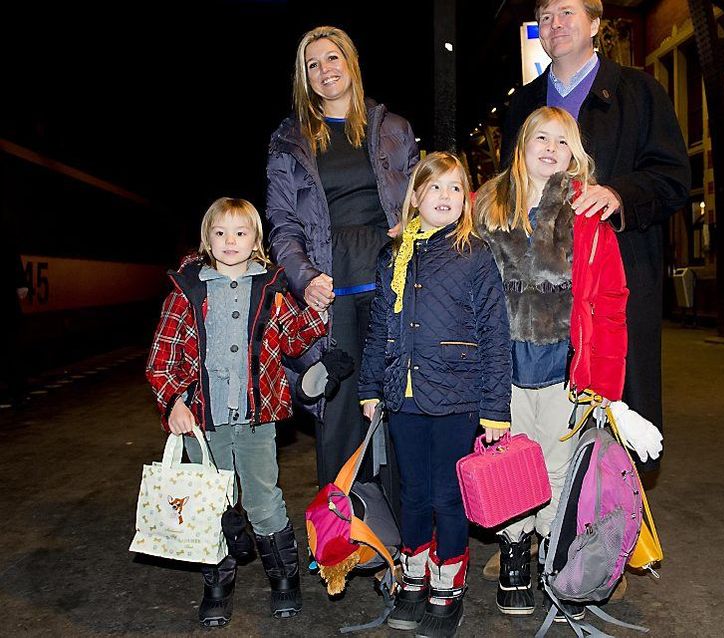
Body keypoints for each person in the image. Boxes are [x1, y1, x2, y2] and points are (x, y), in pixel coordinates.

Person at [501, 0, 690, 474]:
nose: (555, 25)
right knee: (533, 422)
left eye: (567, 12)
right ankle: (532, 529)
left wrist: (619, 194)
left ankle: (606, 532)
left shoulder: (641, 93)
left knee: (614, 413)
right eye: (545, 17)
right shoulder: (522, 105)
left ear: (595, 24)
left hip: (612, 280)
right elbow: (505, 189)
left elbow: (673, 178)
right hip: (534, 300)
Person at [145, 198, 327, 627]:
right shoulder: (187, 290)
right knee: (212, 504)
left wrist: (317, 308)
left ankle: (284, 580)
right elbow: (163, 354)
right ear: (207, 239)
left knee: (264, 499)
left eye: (241, 233)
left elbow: (293, 338)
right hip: (202, 424)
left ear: (255, 240)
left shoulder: (270, 288)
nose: (231, 241)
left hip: (255, 419)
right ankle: (218, 585)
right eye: (221, 233)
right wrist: (173, 401)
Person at [475, 106, 626, 620]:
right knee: (509, 460)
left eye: (562, 143)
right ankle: (515, 551)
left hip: (564, 363)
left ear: (575, 155)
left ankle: (560, 560)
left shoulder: (586, 214)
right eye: (541, 137)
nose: (550, 149)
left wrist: (604, 380)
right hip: (502, 361)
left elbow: (610, 298)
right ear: (521, 147)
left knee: (558, 465)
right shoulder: (486, 207)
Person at [359, 152, 511, 637]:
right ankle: (414, 578)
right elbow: (379, 324)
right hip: (403, 397)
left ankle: (449, 585)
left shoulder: (475, 253)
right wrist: (369, 388)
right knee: (414, 493)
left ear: (466, 199)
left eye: (455, 188)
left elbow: (494, 332)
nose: (444, 197)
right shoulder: (394, 255)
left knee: (448, 496)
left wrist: (495, 408)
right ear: (416, 197)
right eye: (434, 187)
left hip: (457, 396)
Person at [265, 25, 419, 496]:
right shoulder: (290, 140)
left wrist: (409, 226)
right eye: (313, 64)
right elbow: (282, 222)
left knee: (398, 409)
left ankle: (402, 540)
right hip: (329, 290)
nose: (324, 70)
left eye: (332, 59)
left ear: (350, 63)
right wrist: (304, 277)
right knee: (338, 417)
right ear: (304, 77)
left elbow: (423, 196)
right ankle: (340, 541)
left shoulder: (393, 129)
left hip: (388, 278)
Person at [0, 233, 29, 406]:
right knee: (11, 346)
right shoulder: (7, 239)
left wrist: (21, 282)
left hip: (6, 303)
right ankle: (17, 391)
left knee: (11, 347)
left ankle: (17, 390)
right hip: (7, 303)